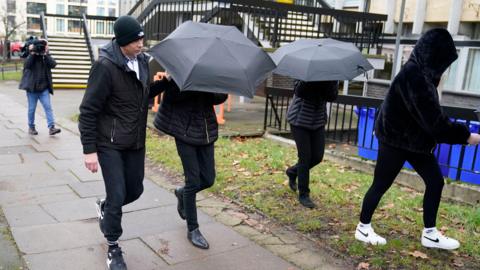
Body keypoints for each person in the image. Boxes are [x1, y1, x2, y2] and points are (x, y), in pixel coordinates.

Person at [354, 28, 480, 250]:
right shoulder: (415, 76)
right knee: (381, 184)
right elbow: (436, 123)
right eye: (445, 62)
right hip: (395, 140)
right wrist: (468, 136)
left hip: (414, 142)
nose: (446, 68)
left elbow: (415, 111)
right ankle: (363, 228)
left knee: (435, 181)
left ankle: (430, 234)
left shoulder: (420, 73)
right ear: (435, 56)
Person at [78, 15, 164, 270]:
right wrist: (89, 150)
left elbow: (143, 93)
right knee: (117, 195)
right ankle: (113, 246)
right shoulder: (104, 67)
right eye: (136, 40)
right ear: (123, 41)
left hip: (135, 141)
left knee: (134, 191)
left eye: (142, 38)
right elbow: (88, 111)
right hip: (109, 143)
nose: (141, 44)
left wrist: (164, 83)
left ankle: (105, 207)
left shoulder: (142, 61)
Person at [153, 77, 227, 249]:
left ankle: (182, 193)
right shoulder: (181, 73)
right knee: (192, 181)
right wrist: (191, 87)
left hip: (206, 130)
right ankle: (193, 229)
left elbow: (221, 97)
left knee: (208, 179)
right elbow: (171, 98)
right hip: (184, 131)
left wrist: (210, 88)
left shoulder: (211, 73)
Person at [285, 80, 338, 208]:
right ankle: (304, 194)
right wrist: (312, 80)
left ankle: (292, 172)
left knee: (317, 157)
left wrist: (330, 82)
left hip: (318, 120)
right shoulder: (306, 71)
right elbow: (299, 91)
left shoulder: (331, 76)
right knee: (305, 158)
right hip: (299, 119)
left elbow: (332, 97)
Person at [19, 38, 61, 136]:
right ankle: (31, 127)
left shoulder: (45, 56)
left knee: (48, 107)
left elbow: (53, 64)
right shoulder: (31, 55)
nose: (40, 48)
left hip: (44, 88)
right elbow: (27, 66)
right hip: (32, 89)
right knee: (32, 109)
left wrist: (45, 54)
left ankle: (51, 128)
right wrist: (32, 53)